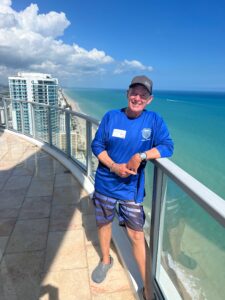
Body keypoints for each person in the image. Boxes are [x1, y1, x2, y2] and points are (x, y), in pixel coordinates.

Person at [91, 75, 174, 300]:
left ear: (149, 99)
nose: (137, 98)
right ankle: (105, 260)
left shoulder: (154, 121)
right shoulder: (111, 116)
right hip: (105, 182)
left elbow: (167, 147)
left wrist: (142, 155)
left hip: (131, 189)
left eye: (143, 95)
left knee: (137, 235)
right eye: (134, 93)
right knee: (103, 223)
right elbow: (96, 145)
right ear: (127, 94)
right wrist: (113, 166)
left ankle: (148, 289)